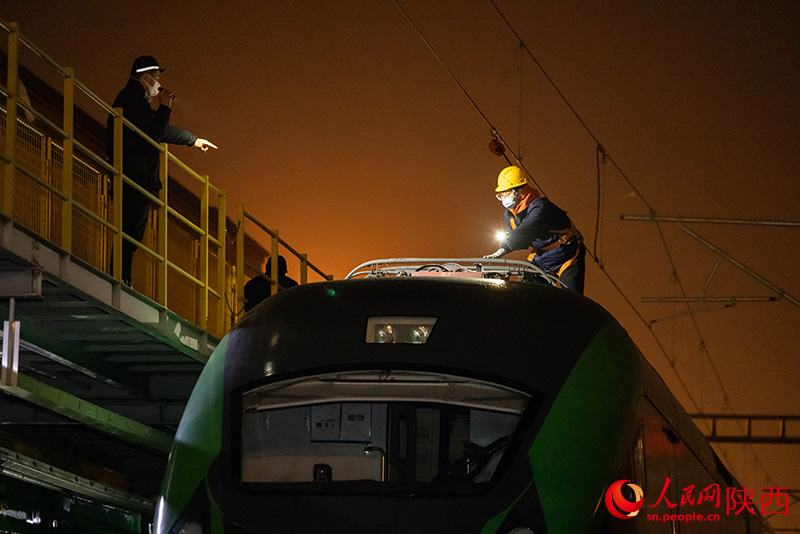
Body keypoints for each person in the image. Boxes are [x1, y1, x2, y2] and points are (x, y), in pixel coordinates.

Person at [106, 55, 217, 285]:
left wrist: (194, 140)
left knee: (131, 232)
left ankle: (121, 277)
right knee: (129, 232)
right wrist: (165, 108)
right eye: (157, 79)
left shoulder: (134, 102)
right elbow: (155, 134)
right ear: (145, 78)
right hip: (132, 177)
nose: (160, 86)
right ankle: (120, 278)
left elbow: (159, 131)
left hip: (134, 176)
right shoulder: (131, 101)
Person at [484, 165, 586, 294]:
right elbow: (521, 238)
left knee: (572, 298)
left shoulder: (540, 208)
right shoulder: (510, 215)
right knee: (530, 293)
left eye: (506, 193)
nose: (503, 198)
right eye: (501, 195)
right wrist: (506, 246)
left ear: (520, 191)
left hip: (567, 252)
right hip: (542, 256)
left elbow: (527, 230)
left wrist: (504, 248)